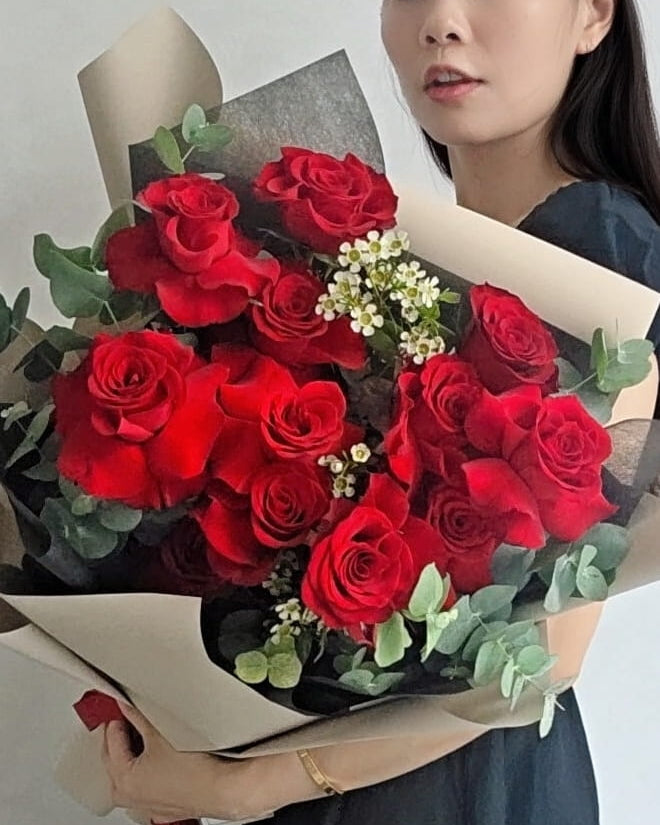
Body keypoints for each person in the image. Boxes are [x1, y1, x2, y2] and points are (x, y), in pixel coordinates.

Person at [101, 1, 660, 822]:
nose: (442, 21)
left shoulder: (601, 248)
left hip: (459, 786)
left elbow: (544, 648)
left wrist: (248, 784)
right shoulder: (389, 266)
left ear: (592, 15)